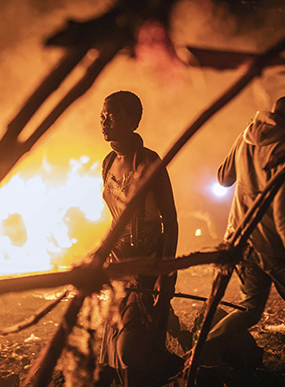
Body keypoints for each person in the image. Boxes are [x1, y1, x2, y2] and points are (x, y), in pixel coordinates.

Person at [203, 96, 285, 387]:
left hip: (240, 239)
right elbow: (283, 208)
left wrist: (242, 155)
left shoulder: (246, 136)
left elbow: (223, 178)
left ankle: (203, 350)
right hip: (273, 244)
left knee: (250, 309)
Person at [98, 91, 181, 387]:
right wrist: (99, 255)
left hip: (147, 265)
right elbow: (116, 220)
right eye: (103, 115)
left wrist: (166, 275)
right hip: (118, 266)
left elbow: (170, 223)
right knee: (114, 355)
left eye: (112, 115)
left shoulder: (149, 162)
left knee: (131, 349)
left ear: (133, 120)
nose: (104, 121)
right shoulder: (108, 162)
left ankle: (184, 367)